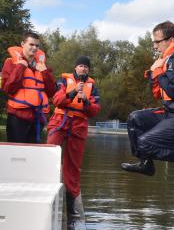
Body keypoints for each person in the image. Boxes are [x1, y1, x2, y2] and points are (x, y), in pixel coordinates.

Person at [121, 21, 174, 183]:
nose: (154, 46)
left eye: (157, 41)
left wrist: (158, 72)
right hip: (173, 114)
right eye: (153, 42)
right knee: (135, 118)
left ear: (171, 40)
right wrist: (154, 75)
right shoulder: (168, 59)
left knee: (145, 143)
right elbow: (158, 93)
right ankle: (146, 163)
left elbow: (172, 90)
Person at [47, 56, 101, 216]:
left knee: (73, 165)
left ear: (88, 70)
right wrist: (72, 93)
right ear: (75, 67)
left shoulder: (93, 87)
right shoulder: (63, 82)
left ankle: (73, 202)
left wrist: (86, 102)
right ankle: (48, 190)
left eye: (86, 67)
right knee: (49, 155)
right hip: (60, 122)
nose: (83, 69)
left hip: (78, 126)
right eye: (81, 66)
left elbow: (95, 110)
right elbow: (56, 100)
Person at [1, 32, 56, 143]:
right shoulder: (10, 63)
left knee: (33, 156)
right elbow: (8, 89)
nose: (34, 48)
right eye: (31, 44)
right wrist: (20, 67)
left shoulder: (43, 66)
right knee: (16, 155)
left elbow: (52, 92)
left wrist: (45, 72)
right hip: (17, 117)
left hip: (37, 119)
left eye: (37, 45)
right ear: (23, 44)